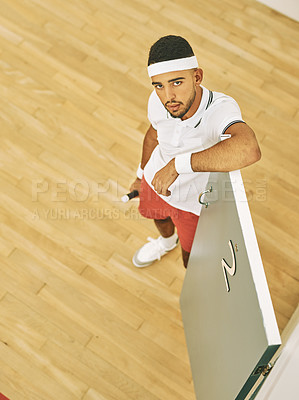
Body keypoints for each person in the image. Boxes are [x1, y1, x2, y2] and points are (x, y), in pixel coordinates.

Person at [130, 35, 261, 269]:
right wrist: (140, 175)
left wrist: (177, 165)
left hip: (194, 203)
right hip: (155, 178)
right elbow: (153, 134)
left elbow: (248, 149)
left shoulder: (220, 109)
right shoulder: (157, 100)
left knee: (191, 260)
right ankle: (167, 242)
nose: (168, 97)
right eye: (159, 85)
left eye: (176, 83)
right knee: (158, 216)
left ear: (197, 77)